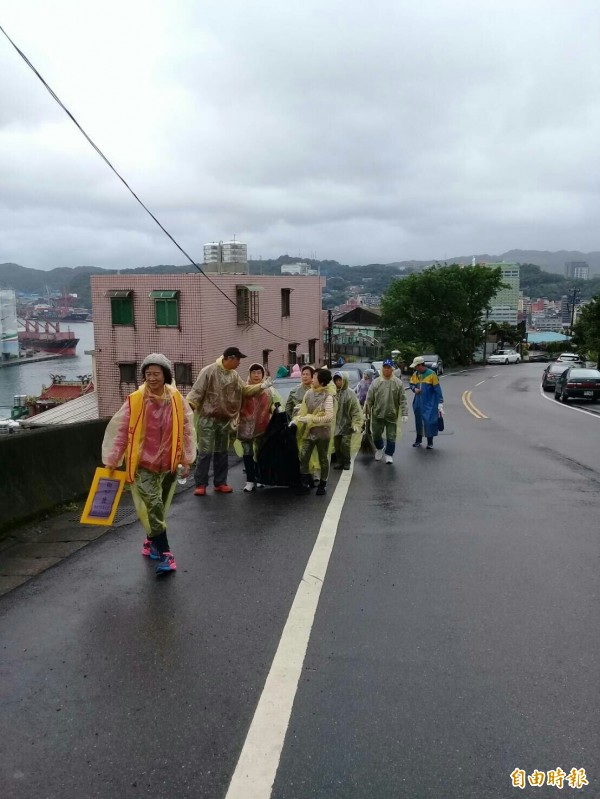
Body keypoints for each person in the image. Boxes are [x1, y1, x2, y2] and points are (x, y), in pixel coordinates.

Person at [102, 353, 196, 574]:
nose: (152, 378)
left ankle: (150, 541)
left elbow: (186, 428)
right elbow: (121, 431)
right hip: (143, 464)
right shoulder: (135, 400)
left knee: (159, 508)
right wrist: (113, 458)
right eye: (148, 374)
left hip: (169, 464)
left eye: (156, 373)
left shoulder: (175, 398)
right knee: (154, 506)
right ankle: (166, 553)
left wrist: (186, 458)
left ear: (165, 375)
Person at [186, 346, 267, 495]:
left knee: (221, 452)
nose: (239, 363)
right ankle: (201, 484)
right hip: (207, 418)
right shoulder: (209, 371)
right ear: (230, 358)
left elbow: (244, 390)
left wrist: (260, 387)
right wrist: (187, 411)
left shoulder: (234, 375)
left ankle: (220, 482)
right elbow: (196, 392)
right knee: (205, 452)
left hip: (224, 420)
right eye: (238, 359)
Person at [237, 362, 282, 492]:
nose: (256, 375)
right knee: (247, 453)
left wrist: (275, 409)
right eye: (253, 372)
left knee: (261, 453)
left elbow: (275, 404)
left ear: (262, 374)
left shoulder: (269, 390)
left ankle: (261, 477)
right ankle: (250, 480)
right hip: (245, 426)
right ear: (249, 374)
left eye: (259, 372)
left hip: (263, 426)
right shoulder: (244, 389)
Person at [294, 368, 336, 495]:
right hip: (309, 431)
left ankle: (322, 484)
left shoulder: (328, 397)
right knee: (304, 456)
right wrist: (297, 420)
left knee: (323, 458)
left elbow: (329, 417)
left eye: (315, 376)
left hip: (323, 433)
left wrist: (312, 419)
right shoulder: (308, 394)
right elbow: (303, 411)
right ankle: (305, 483)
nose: (312, 379)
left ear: (322, 381)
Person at [365, 358, 408, 464]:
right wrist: (366, 412)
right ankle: (380, 448)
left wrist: (404, 413)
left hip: (392, 414)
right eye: (385, 368)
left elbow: (402, 399)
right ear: (382, 369)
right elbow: (369, 399)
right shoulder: (376, 383)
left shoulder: (397, 383)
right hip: (377, 414)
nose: (386, 370)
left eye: (389, 368)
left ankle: (389, 454)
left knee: (391, 436)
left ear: (392, 369)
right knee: (376, 434)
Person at [408, 356, 444, 449]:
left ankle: (430, 441)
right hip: (418, 402)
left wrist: (440, 402)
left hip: (429, 402)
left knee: (429, 421)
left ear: (420, 365)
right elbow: (411, 384)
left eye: (416, 366)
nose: (415, 368)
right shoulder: (415, 374)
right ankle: (418, 440)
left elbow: (437, 389)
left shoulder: (432, 374)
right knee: (418, 421)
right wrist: (414, 389)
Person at [332, 371, 363, 470]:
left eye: (340, 380)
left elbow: (355, 409)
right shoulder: (333, 393)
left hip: (347, 424)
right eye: (336, 380)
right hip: (336, 424)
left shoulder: (350, 393)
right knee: (337, 444)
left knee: (345, 444)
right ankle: (340, 461)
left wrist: (356, 423)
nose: (338, 382)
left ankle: (347, 461)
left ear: (344, 380)